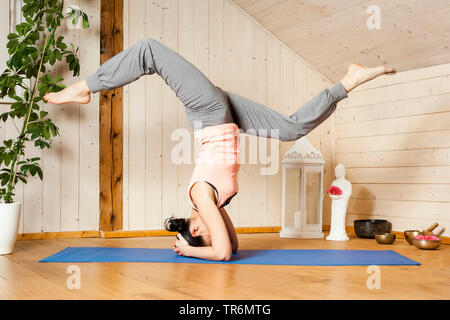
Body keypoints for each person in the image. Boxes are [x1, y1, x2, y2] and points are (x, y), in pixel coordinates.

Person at [44, 37, 395, 261]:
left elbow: (224, 253)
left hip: (209, 111)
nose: (219, 229)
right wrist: (197, 247)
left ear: (197, 229)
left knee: (148, 50)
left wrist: (190, 252)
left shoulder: (200, 195)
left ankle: (83, 87)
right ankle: (349, 80)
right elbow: (234, 246)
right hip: (228, 115)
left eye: (209, 231)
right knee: (290, 128)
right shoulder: (215, 203)